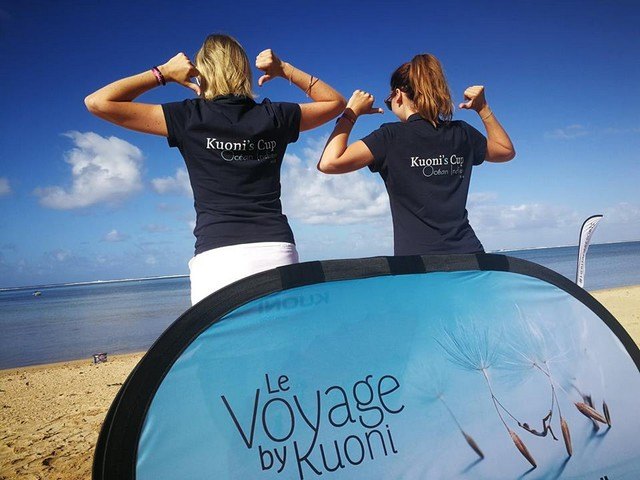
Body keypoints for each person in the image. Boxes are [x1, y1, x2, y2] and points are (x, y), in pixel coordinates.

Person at [85, 34, 346, 304]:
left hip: (217, 257)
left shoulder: (188, 117)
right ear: (244, 70)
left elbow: (97, 102)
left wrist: (163, 73)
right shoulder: (275, 116)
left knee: (220, 334)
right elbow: (335, 103)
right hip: (275, 250)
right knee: (282, 332)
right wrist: (284, 69)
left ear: (203, 72)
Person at [318, 53, 515, 256]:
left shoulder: (389, 137)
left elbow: (329, 162)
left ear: (398, 95)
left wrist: (351, 112)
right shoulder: (461, 133)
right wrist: (482, 108)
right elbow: (505, 151)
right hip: (471, 255)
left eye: (389, 101)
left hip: (417, 262)